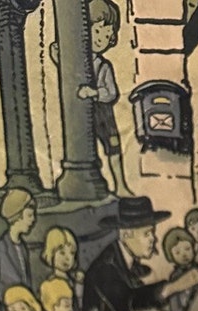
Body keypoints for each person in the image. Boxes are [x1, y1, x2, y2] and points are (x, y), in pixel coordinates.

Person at [77, 0, 130, 196]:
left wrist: (95, 92)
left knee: (113, 147)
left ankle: (120, 185)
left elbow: (112, 93)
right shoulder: (77, 60)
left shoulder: (103, 65)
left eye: (107, 35)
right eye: (98, 31)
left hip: (103, 112)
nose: (102, 39)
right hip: (83, 112)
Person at [0, 189, 37, 300]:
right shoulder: (3, 246)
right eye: (29, 215)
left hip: (25, 296)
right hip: (10, 298)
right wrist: (5, 287)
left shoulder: (22, 246)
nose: (33, 220)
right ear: (17, 216)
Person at [41, 225, 85, 311]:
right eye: (62, 253)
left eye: (72, 253)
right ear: (51, 253)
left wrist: (79, 284)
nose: (67, 258)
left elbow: (80, 304)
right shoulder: (51, 283)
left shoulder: (72, 280)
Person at [161, 226, 198, 311]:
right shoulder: (175, 277)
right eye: (177, 252)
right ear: (171, 256)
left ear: (193, 247)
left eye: (187, 249)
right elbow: (175, 305)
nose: (184, 255)